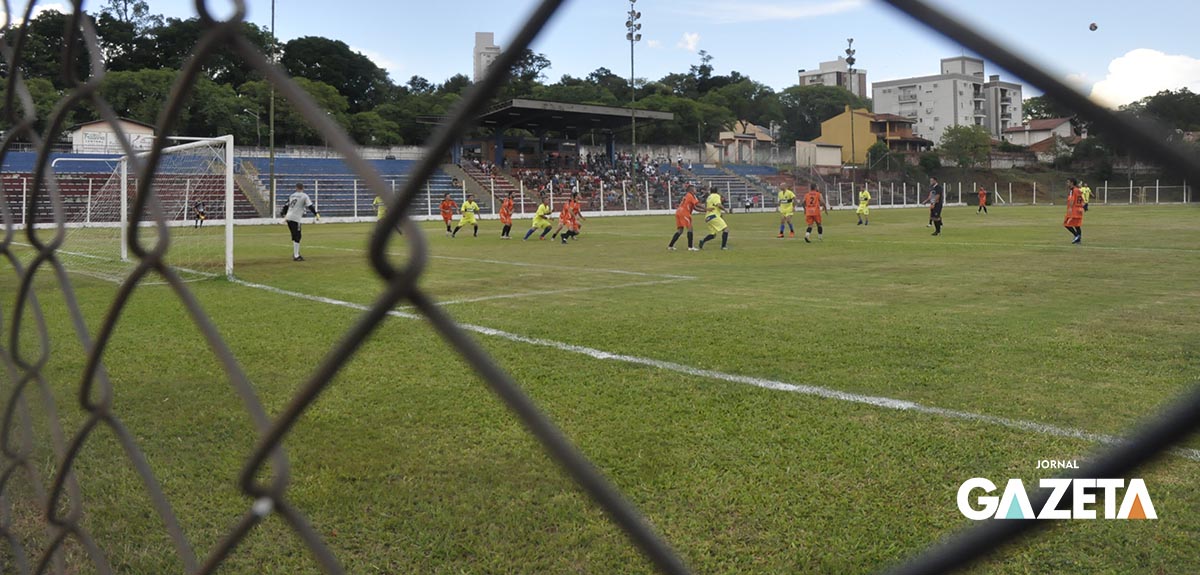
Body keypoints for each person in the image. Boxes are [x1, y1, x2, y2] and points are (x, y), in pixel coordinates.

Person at [280, 182, 318, 261]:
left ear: (296, 188)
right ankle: (296, 255)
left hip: (289, 218)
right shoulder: (304, 196)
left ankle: (296, 253)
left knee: (295, 236)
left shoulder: (292, 195)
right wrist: (316, 213)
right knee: (298, 236)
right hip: (295, 218)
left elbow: (286, 205)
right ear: (303, 188)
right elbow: (310, 206)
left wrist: (283, 213)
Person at [668, 183, 703, 251]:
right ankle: (690, 247)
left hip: (679, 212)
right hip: (684, 213)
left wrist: (705, 210)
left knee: (680, 230)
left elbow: (695, 208)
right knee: (690, 229)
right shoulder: (691, 196)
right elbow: (697, 204)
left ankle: (670, 246)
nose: (696, 190)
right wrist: (706, 207)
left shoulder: (687, 196)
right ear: (692, 190)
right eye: (695, 189)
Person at [1064, 178, 1084, 244]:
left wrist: (1070, 208)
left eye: (1068, 182)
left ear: (1072, 183)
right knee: (1077, 225)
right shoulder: (1077, 190)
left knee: (1066, 224)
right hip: (1079, 210)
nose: (1067, 184)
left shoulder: (1073, 190)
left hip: (1074, 210)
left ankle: (1077, 236)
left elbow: (1072, 199)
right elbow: (1082, 200)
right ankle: (1078, 240)